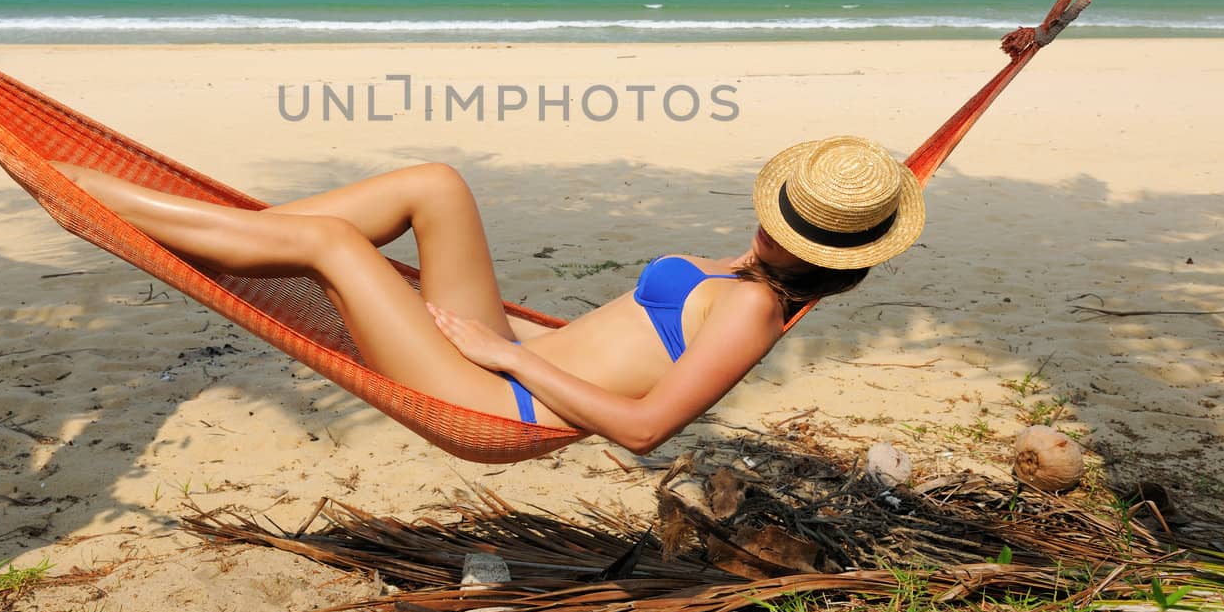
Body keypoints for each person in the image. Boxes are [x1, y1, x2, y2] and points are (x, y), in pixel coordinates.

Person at [52, 134, 923, 455]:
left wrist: (504, 353)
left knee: (326, 243)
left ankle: (95, 197)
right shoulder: (754, 270)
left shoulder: (753, 308)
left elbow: (646, 429)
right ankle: (223, 231)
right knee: (437, 183)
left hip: (492, 393)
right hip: (506, 349)